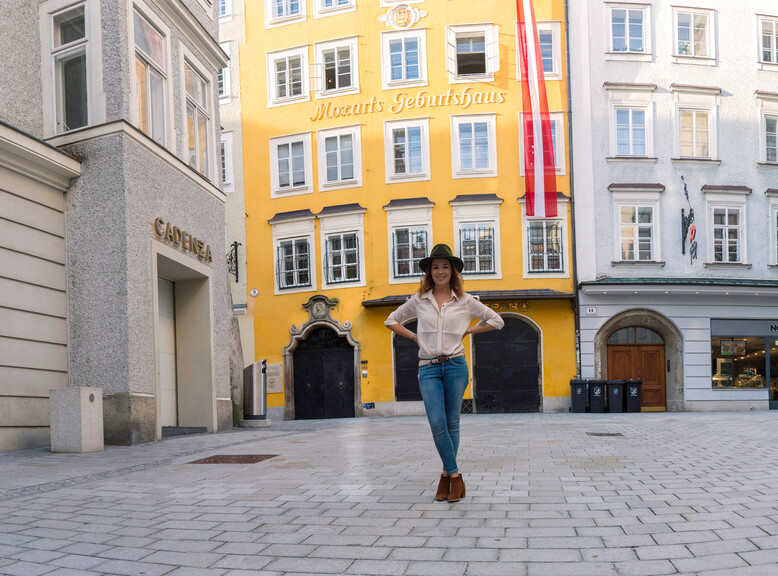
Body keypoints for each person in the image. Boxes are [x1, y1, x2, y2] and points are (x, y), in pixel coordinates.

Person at [385, 243, 504, 502]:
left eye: (445, 267)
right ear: (429, 271)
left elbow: (497, 320)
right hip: (427, 367)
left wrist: (469, 330)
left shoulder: (465, 301)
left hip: (455, 365)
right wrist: (415, 337)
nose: (440, 271)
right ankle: (455, 476)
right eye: (435, 267)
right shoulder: (419, 300)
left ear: (453, 271)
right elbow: (391, 320)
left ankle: (444, 478)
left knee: (452, 423)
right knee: (437, 422)